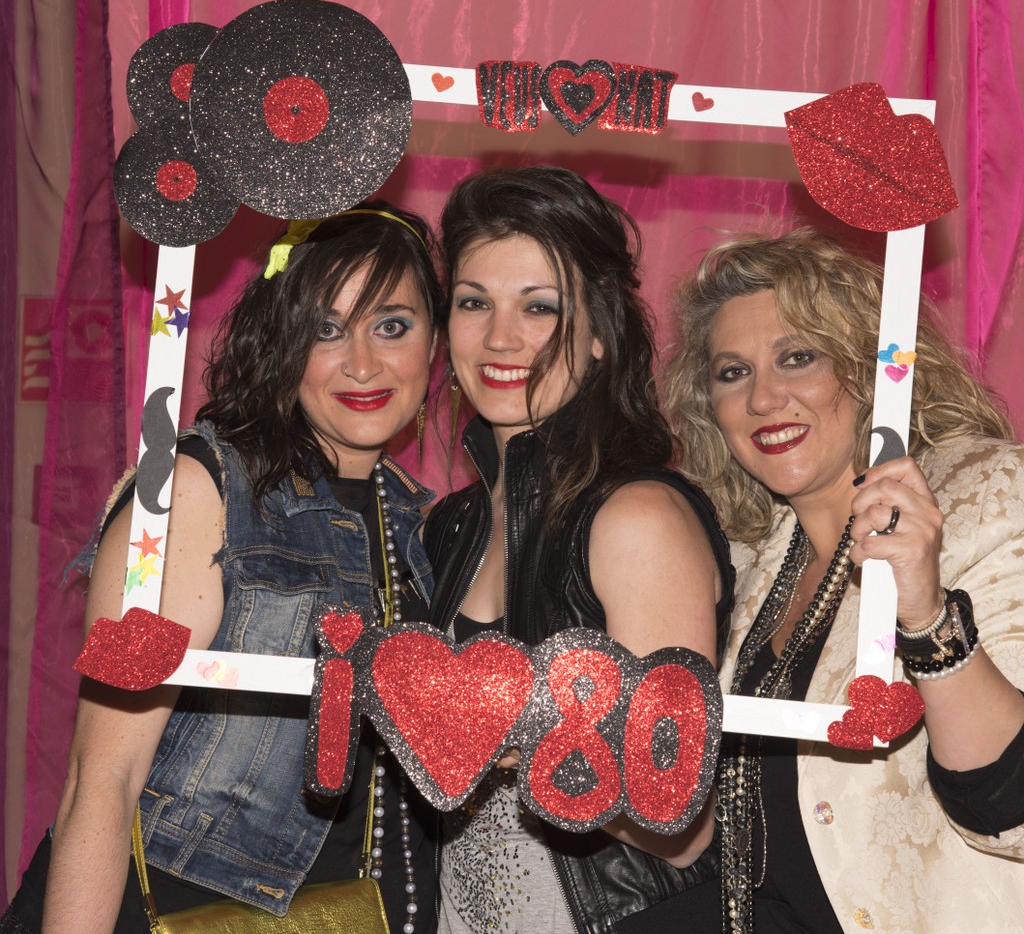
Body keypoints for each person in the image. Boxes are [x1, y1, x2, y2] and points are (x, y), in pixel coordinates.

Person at [4, 204, 442, 934]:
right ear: (281, 340)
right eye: (326, 329)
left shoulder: (418, 524)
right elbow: (100, 781)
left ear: (434, 340)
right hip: (172, 912)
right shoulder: (196, 490)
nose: (363, 363)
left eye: (391, 325)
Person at [664, 227, 1024, 933]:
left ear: (869, 367)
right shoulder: (746, 559)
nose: (764, 398)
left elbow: (1009, 814)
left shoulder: (988, 498)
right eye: (733, 373)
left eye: (797, 357)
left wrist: (927, 618)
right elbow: (702, 839)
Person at [424, 165, 734, 934]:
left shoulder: (636, 518)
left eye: (540, 307)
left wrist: (515, 736)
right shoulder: (451, 525)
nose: (500, 338)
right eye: (474, 302)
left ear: (599, 335)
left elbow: (681, 824)